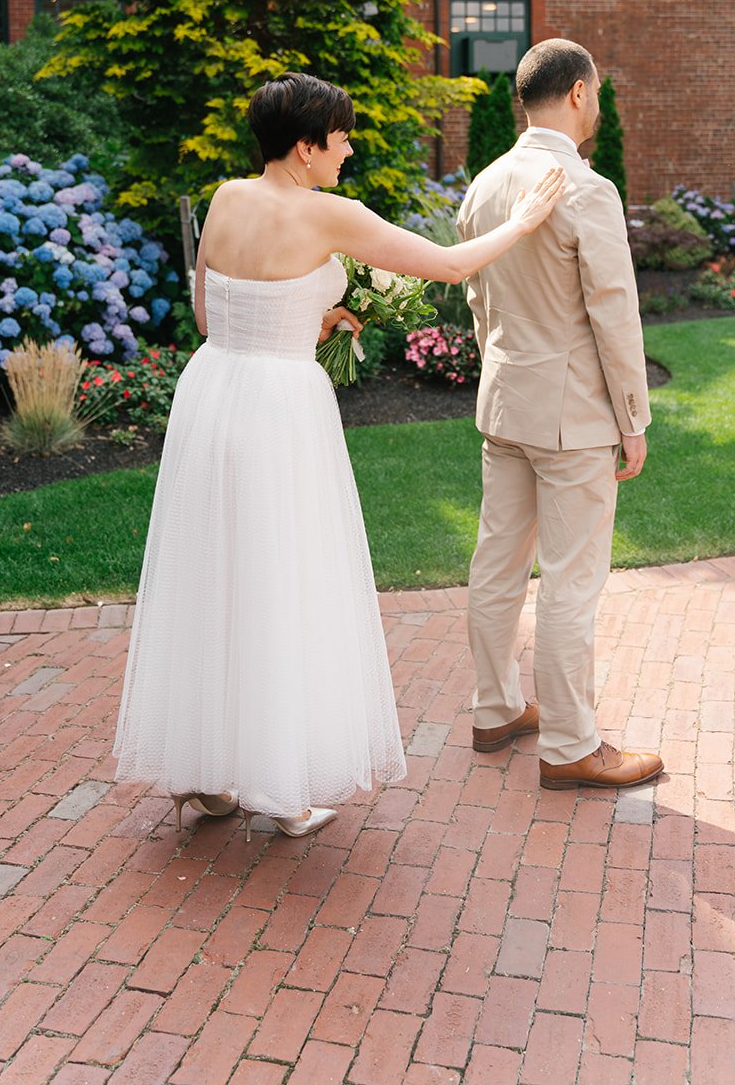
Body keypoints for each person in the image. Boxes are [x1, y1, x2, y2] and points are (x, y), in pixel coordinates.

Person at [112, 71, 566, 842]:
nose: (349, 148)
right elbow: (453, 266)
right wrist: (522, 220)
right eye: (342, 136)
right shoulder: (330, 215)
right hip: (280, 410)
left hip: (212, 392)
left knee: (214, 578)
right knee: (281, 581)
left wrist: (308, 320)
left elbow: (206, 311)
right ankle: (283, 792)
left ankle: (207, 776)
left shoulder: (224, 198)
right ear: (304, 146)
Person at [456, 39, 663, 791]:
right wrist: (631, 418)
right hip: (572, 415)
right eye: (597, 90)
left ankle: (493, 709)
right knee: (572, 580)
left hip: (505, 402)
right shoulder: (584, 188)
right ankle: (572, 745)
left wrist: (498, 371)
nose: (598, 103)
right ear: (577, 93)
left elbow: (477, 297)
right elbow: (613, 312)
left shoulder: (483, 183)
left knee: (497, 562)